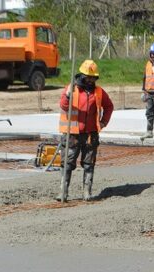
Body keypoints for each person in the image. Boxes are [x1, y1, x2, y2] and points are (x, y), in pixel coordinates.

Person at [57, 60, 114, 202]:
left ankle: (87, 192)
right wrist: (67, 96)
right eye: (89, 77)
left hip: (90, 135)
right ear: (82, 76)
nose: (91, 80)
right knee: (67, 163)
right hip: (72, 134)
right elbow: (64, 106)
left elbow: (109, 106)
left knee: (89, 163)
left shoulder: (99, 92)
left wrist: (103, 122)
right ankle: (63, 192)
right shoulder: (72, 89)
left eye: (93, 78)